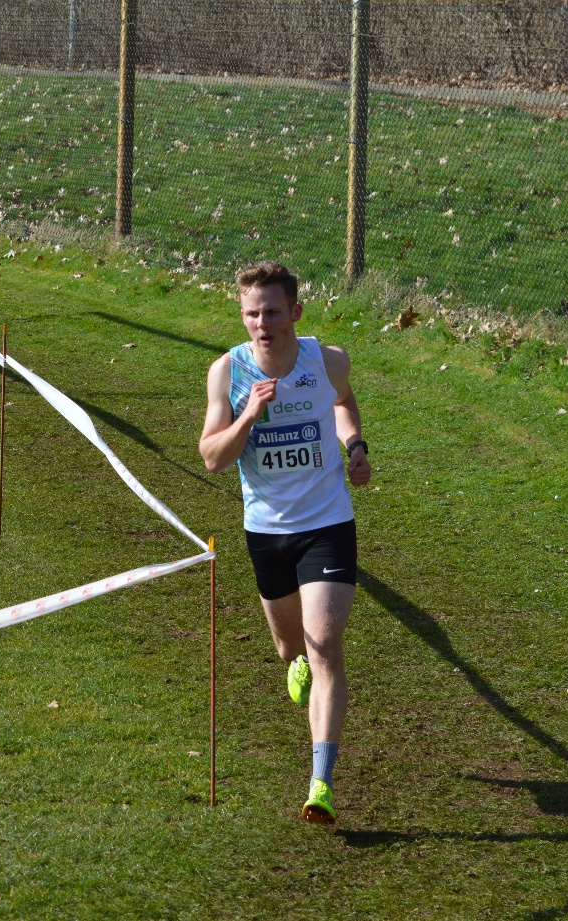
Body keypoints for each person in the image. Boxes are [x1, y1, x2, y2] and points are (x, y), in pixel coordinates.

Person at [198, 260, 371, 825]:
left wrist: (355, 446)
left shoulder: (329, 361)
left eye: (272, 311)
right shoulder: (228, 373)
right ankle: (292, 660)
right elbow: (212, 459)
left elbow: (344, 402)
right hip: (267, 531)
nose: (262, 323)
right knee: (290, 648)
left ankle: (320, 781)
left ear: (295, 311)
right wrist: (250, 413)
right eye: (252, 313)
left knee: (324, 643)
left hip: (326, 523)